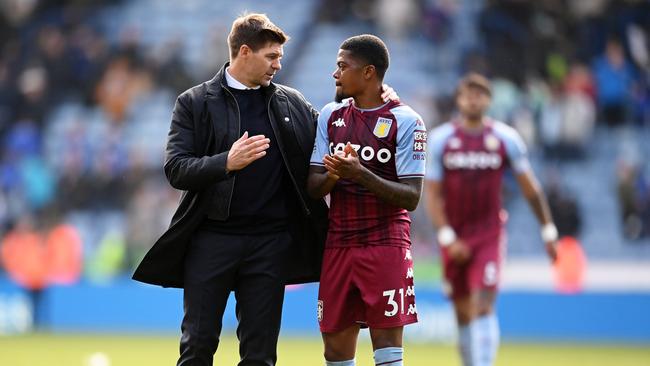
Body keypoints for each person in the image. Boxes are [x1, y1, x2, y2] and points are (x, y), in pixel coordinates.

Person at [131, 14, 396, 366]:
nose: (278, 64)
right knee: (197, 346)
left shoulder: (293, 103)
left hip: (270, 244)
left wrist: (373, 99)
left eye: (279, 56)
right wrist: (227, 161)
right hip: (211, 239)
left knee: (260, 355)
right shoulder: (195, 102)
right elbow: (176, 169)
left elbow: (335, 128)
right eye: (271, 56)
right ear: (244, 52)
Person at [307, 34, 427, 366]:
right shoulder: (330, 116)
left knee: (387, 348)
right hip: (339, 244)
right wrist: (334, 175)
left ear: (369, 72)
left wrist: (360, 174)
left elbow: (412, 196)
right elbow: (313, 187)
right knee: (334, 350)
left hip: (385, 243)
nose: (335, 74)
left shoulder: (406, 121)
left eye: (343, 66)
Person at [424, 73, 558, 366]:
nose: (473, 98)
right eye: (468, 93)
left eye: (480, 93)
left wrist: (548, 230)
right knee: (462, 313)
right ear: (459, 100)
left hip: (489, 232)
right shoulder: (441, 139)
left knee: (483, 305)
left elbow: (531, 189)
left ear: (488, 100)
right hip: (454, 236)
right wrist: (447, 237)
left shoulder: (505, 138)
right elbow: (432, 195)